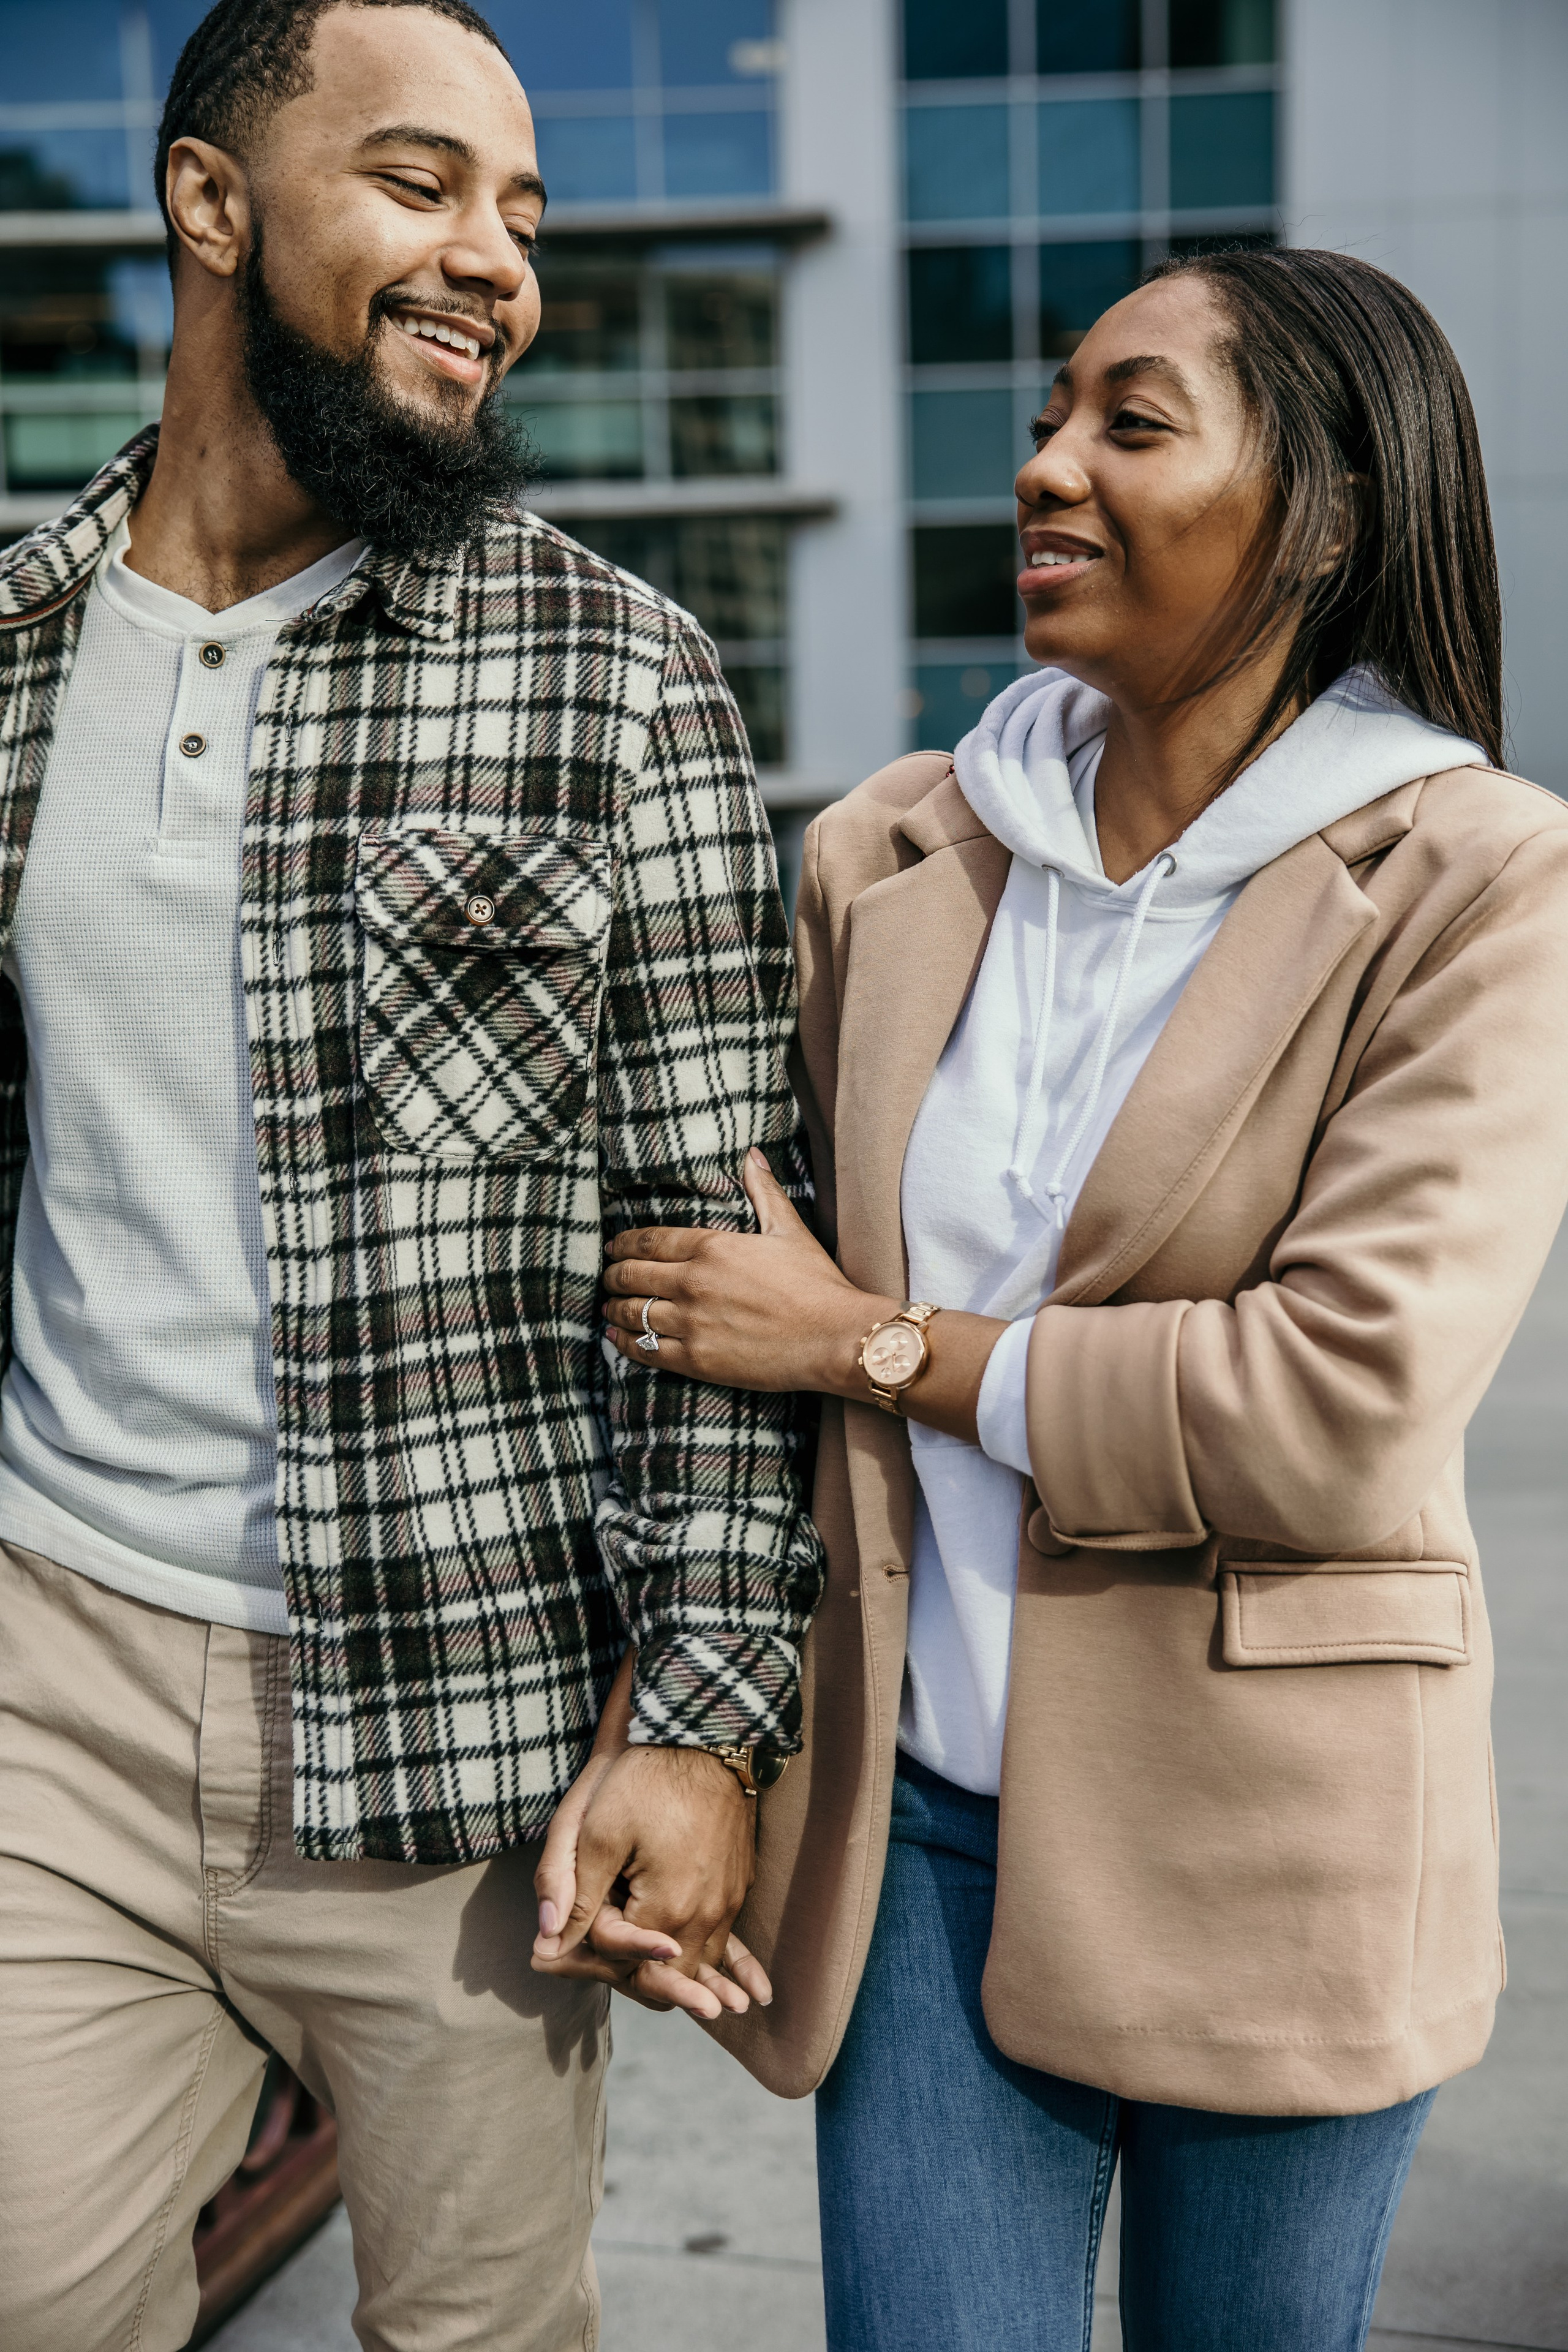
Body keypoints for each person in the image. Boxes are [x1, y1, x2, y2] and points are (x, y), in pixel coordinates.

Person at [579, 249, 1568, 2348]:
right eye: (1051, 417)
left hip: (1279, 1844)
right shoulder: (888, 853)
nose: (1045, 467)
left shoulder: (1485, 882)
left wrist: (876, 1344)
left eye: (1131, 423)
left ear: (1329, 510)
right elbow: (736, 1331)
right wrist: (693, 1740)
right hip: (921, 1831)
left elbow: (1337, 1409)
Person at [0, 1, 821, 2346]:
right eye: (426, 184)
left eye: (526, 213)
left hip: (461, 1725)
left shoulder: (616, 678)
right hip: (50, 1669)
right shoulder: (13, 655)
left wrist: (702, 1708)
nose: (500, 261)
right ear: (210, 206)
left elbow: (707, 1248)